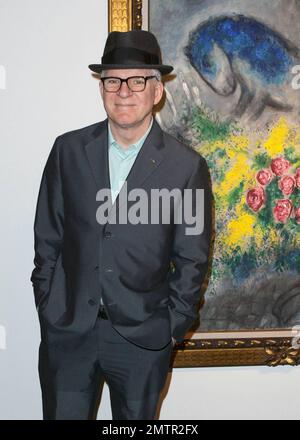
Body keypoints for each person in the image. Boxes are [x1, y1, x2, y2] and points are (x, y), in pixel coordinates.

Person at [31, 30, 212, 420]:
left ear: (156, 91)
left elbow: (193, 259)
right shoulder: (68, 150)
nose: (124, 90)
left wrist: (170, 328)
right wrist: (49, 306)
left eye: (137, 80)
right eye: (113, 79)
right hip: (69, 334)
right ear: (101, 88)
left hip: (143, 341)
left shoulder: (187, 167)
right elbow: (48, 237)